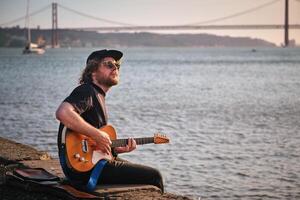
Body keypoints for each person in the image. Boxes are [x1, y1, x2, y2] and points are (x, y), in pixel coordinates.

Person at [55, 49, 164, 192]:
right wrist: (97, 135)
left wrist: (115, 150)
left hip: (89, 165)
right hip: (84, 169)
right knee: (154, 176)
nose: (115, 68)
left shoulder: (98, 96)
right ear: (92, 71)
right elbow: (63, 112)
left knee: (141, 172)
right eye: (109, 65)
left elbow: (92, 144)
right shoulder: (87, 91)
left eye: (117, 66)